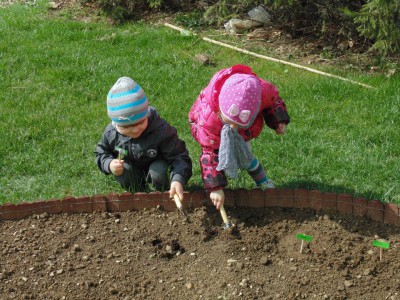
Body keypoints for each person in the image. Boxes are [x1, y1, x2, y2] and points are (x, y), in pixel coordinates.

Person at [188, 64, 290, 209]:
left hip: (241, 131)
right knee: (219, 157)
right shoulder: (209, 119)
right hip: (211, 131)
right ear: (220, 111)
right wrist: (215, 188)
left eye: (238, 124)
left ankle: (264, 183)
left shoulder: (262, 91)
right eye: (230, 122)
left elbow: (273, 101)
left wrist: (279, 120)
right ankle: (215, 189)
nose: (233, 128)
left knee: (245, 157)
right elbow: (209, 154)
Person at [95, 76, 193, 201]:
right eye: (128, 127)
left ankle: (163, 193)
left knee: (157, 171)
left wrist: (178, 179)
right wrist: (108, 164)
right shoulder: (111, 134)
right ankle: (138, 194)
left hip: (156, 164)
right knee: (123, 171)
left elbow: (179, 156)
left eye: (140, 123)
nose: (135, 130)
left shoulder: (161, 130)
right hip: (131, 168)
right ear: (117, 124)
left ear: (146, 115)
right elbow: (101, 152)